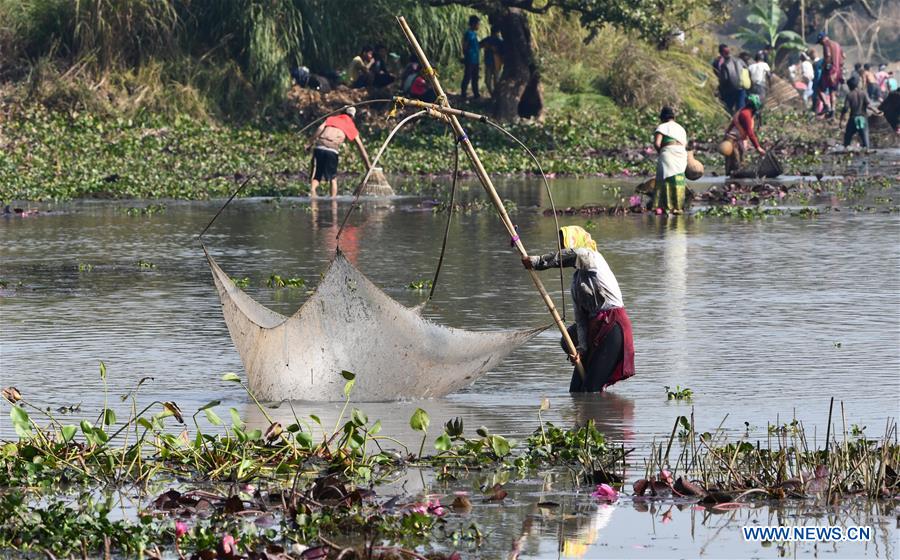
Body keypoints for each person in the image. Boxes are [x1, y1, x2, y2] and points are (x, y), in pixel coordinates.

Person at [522, 226, 635, 393]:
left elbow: (576, 254)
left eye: (565, 244)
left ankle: (601, 415)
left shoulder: (594, 258)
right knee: (575, 390)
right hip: (593, 327)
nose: (563, 249)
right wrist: (581, 348)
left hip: (612, 327)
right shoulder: (576, 281)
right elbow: (581, 320)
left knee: (590, 390)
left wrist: (538, 262)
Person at [306, 107, 372, 198]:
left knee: (317, 175)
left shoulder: (331, 119)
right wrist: (368, 166)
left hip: (319, 147)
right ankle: (333, 200)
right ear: (352, 117)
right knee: (333, 178)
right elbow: (360, 146)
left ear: (341, 112)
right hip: (331, 150)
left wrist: (309, 143)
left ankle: (312, 191)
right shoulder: (349, 124)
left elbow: (320, 128)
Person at [652, 106, 688, 214]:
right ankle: (679, 207)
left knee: (665, 179)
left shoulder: (662, 127)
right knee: (678, 178)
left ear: (662, 117)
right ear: (674, 117)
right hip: (681, 153)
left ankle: (665, 207)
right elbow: (684, 144)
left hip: (668, 152)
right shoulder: (681, 128)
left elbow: (657, 143)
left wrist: (661, 153)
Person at [723, 94, 766, 176]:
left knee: (738, 164)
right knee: (735, 166)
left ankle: (734, 183)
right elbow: (750, 133)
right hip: (731, 141)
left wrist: (745, 143)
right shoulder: (746, 114)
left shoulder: (743, 112)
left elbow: (735, 127)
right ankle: (733, 185)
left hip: (734, 140)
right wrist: (758, 147)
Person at [713, 44, 747, 114]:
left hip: (729, 90)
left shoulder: (722, 63)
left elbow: (724, 78)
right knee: (741, 109)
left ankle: (730, 121)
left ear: (720, 53)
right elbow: (746, 70)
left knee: (728, 109)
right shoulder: (739, 60)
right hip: (741, 88)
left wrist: (720, 87)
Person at [840, 77, 871, 149]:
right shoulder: (863, 93)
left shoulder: (849, 95)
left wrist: (841, 120)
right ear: (857, 85)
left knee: (846, 143)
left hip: (853, 119)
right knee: (866, 145)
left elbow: (845, 108)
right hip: (863, 119)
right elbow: (868, 105)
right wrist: (876, 111)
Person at [817, 32, 843, 116]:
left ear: (823, 39)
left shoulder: (826, 44)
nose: (821, 44)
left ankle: (826, 106)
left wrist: (824, 65)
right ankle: (833, 110)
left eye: (820, 42)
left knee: (819, 88)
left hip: (830, 71)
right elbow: (843, 57)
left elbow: (828, 55)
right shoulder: (837, 44)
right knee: (832, 91)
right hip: (838, 71)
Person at [480, 27, 504, 97]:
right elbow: (480, 45)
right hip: (490, 63)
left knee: (493, 81)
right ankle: (493, 95)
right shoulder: (489, 40)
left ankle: (495, 95)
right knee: (491, 81)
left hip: (496, 63)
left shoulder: (499, 41)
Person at [461, 15, 481, 98]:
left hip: (475, 59)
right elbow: (465, 45)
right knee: (467, 76)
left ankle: (476, 94)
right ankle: (463, 93)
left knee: (475, 77)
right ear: (473, 24)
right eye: (478, 24)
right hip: (470, 59)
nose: (479, 26)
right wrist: (465, 56)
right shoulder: (468, 33)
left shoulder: (474, 34)